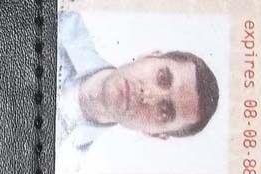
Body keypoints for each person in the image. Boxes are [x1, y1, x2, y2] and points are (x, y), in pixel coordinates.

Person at [57, 10, 220, 152]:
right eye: (162, 78)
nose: (148, 95)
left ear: (154, 134)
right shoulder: (63, 21)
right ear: (149, 56)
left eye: (164, 111)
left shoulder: (69, 166)